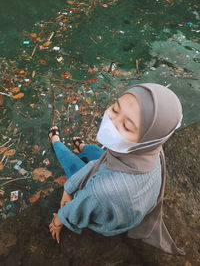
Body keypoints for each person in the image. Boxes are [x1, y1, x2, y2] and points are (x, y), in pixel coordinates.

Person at [48, 83, 185, 255]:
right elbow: (103, 161)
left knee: (72, 164)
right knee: (98, 153)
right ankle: (83, 146)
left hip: (109, 201)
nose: (110, 123)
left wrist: (58, 220)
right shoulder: (153, 152)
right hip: (120, 176)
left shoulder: (102, 191)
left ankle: (55, 141)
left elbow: (75, 209)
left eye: (127, 126)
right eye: (114, 108)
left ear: (147, 140)